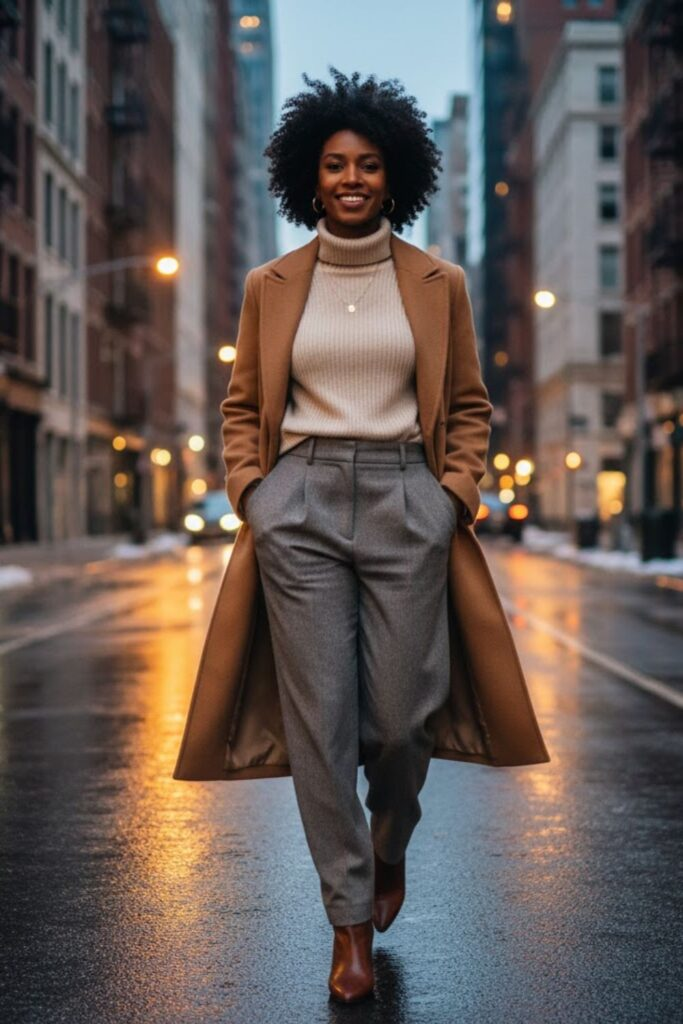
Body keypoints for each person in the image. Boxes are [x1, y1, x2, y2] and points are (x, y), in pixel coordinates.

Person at [173, 66, 550, 1005]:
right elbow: (241, 406)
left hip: (405, 496)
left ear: (394, 177)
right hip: (297, 503)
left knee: (400, 717)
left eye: (369, 165)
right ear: (310, 175)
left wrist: (450, 493)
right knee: (321, 722)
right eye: (336, 164)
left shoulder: (437, 283)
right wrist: (255, 492)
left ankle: (388, 847)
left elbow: (467, 402)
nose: (351, 178)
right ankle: (347, 926)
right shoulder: (270, 285)